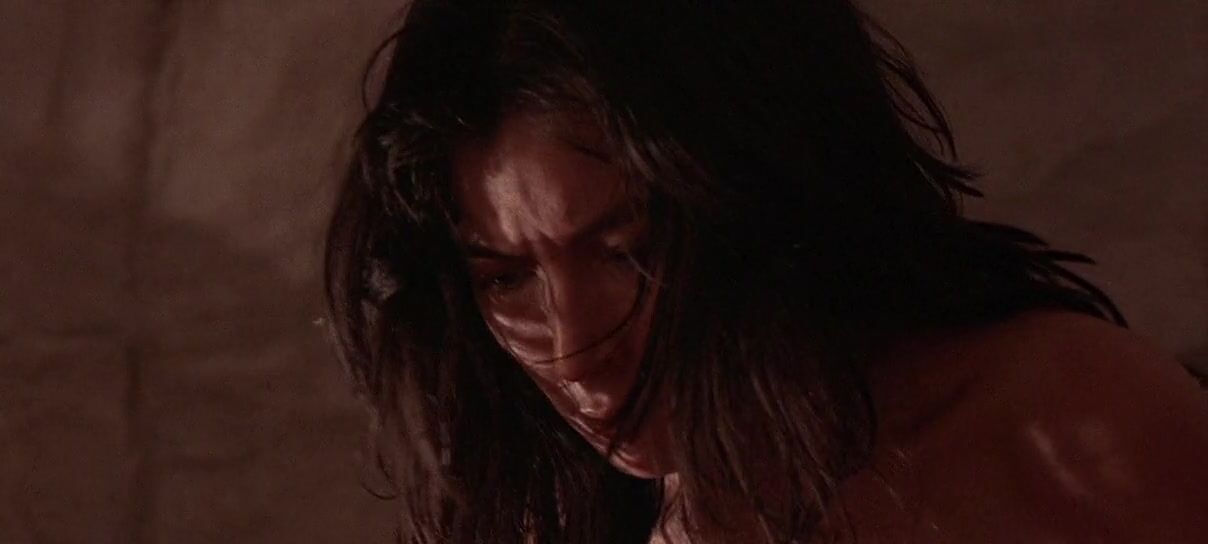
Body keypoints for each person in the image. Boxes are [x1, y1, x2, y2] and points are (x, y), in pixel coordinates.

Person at [323, 1, 1208, 542]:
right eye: (505, 277)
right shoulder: (562, 518)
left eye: (627, 249)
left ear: (765, 201)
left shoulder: (1063, 424)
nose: (572, 348)